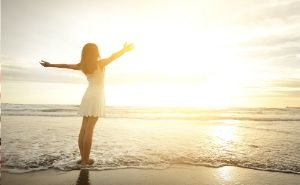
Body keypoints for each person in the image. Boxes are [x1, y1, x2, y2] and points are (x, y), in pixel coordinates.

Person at [40, 42, 134, 165]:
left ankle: (83, 158)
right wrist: (124, 50)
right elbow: (113, 56)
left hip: (87, 95)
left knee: (84, 128)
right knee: (89, 129)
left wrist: (50, 65)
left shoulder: (82, 65)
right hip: (97, 97)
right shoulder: (100, 63)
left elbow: (66, 65)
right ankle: (85, 160)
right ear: (96, 52)